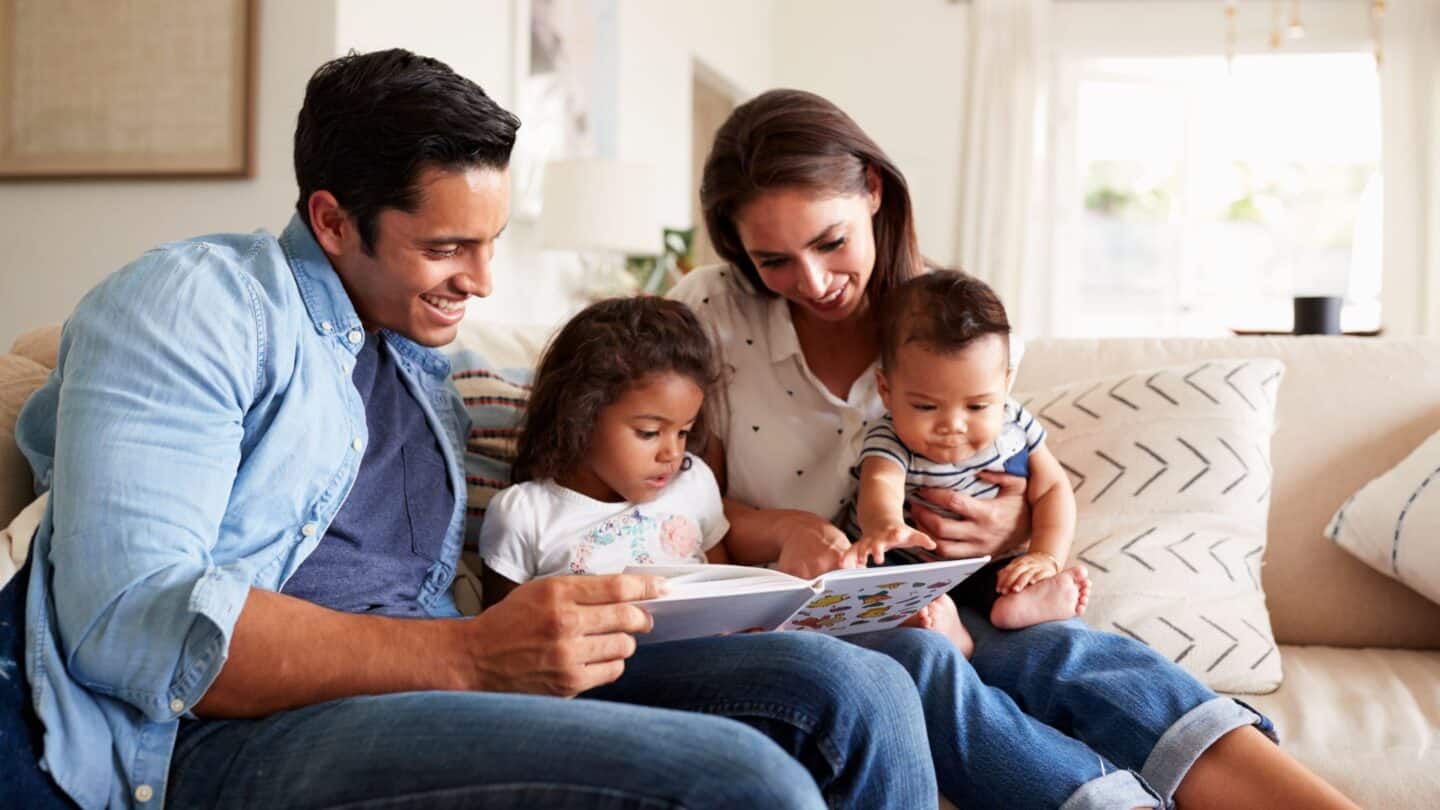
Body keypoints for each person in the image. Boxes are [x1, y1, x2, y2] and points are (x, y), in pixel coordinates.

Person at [8, 52, 939, 809]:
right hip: (233, 738)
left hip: (441, 678)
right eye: (449, 248)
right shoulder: (195, 305)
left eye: (491, 243)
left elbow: (597, 421)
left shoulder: (421, 362)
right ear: (333, 221)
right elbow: (130, 623)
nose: (483, 281)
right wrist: (470, 652)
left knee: (859, 690)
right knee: (745, 784)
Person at [671, 86, 1359, 809]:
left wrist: (1014, 528)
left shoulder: (958, 327)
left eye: (830, 242)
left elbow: (1015, 480)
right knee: (922, 663)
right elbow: (686, 502)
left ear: (872, 190)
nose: (812, 283)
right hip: (800, 610)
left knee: (1072, 656)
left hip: (942, 582)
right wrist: (787, 529)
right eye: (773, 259)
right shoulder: (712, 312)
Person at [843, 271, 1091, 658]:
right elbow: (881, 482)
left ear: (1006, 385)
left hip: (984, 564)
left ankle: (1023, 604)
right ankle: (941, 626)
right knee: (870, 582)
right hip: (907, 561)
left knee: (1012, 575)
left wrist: (1044, 555)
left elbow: (1053, 489)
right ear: (886, 391)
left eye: (977, 406)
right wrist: (886, 526)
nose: (952, 426)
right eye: (925, 406)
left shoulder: (1014, 423)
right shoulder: (890, 436)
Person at [479, 296, 731, 602]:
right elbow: (500, 631)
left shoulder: (694, 482)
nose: (672, 454)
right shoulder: (524, 514)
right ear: (580, 416)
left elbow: (729, 589)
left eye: (683, 432)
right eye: (648, 433)